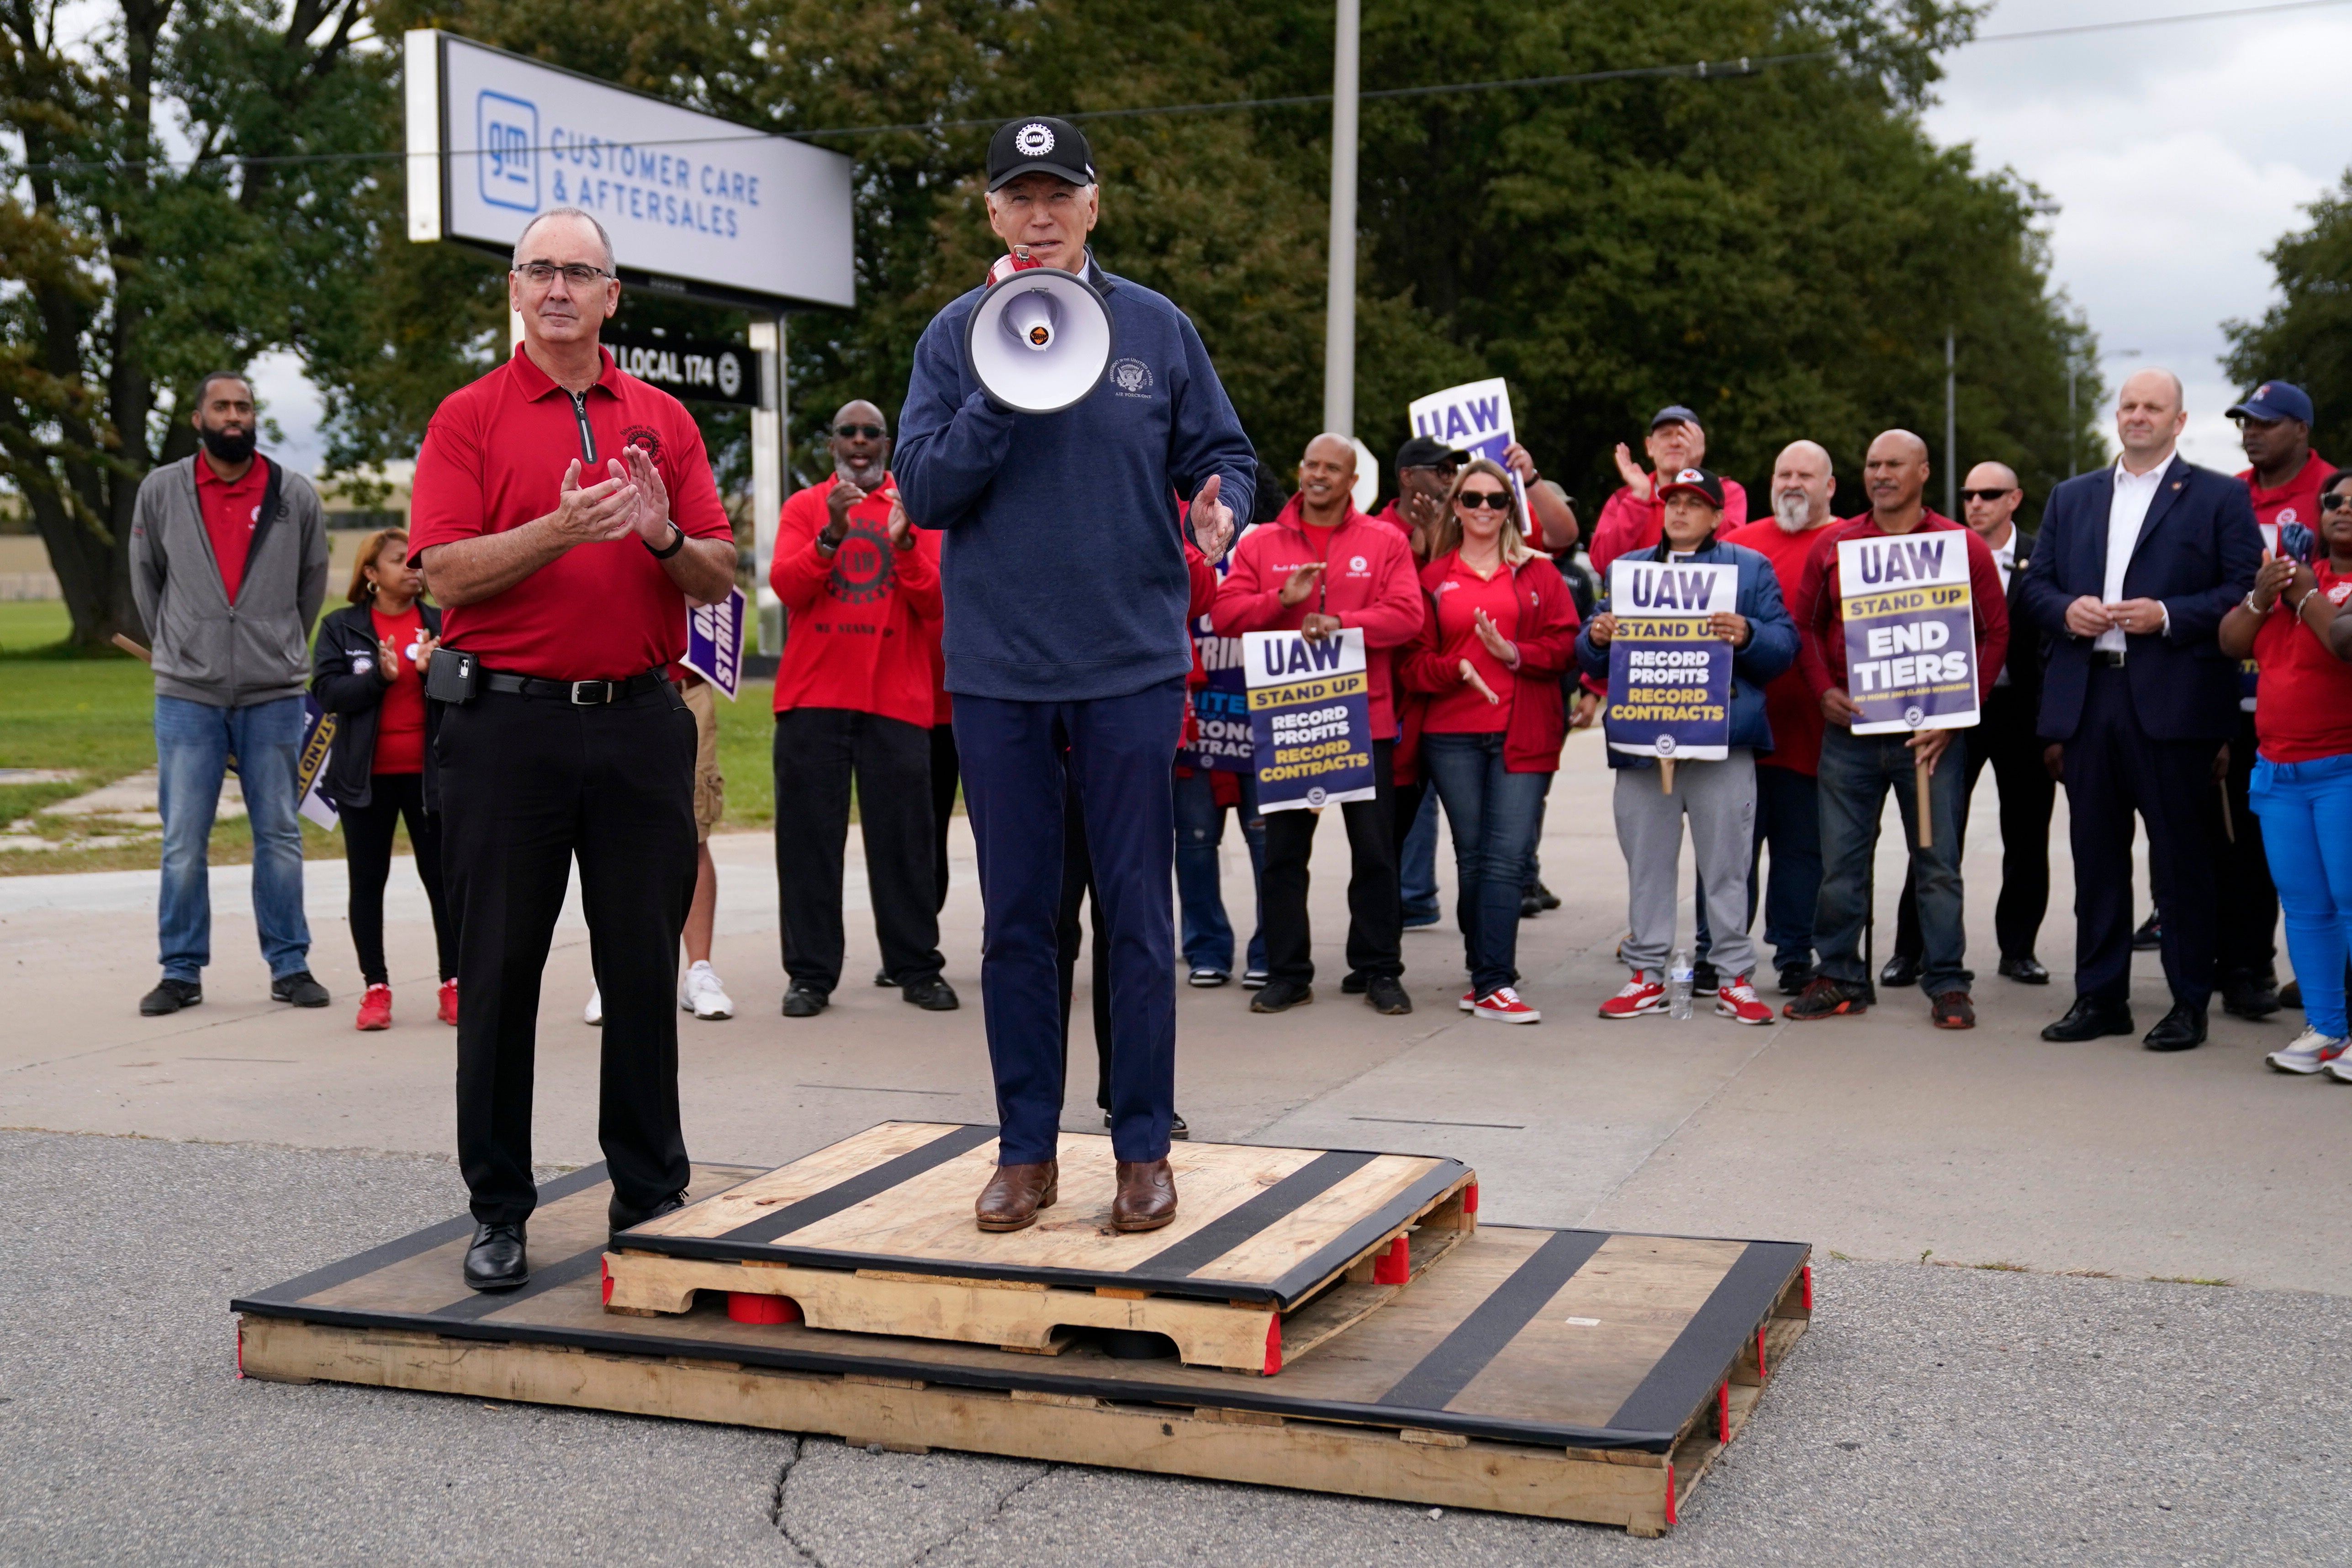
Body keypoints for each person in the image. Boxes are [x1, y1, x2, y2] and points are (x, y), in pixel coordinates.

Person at [895, 117, 1252, 1235]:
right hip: (1000, 671)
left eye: (1059, 196)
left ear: (1092, 206)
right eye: (1019, 198)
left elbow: (1224, 455)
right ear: (992, 214)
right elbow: (927, 490)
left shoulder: (1156, 327)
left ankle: (1141, 1147)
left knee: (1136, 915)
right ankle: (1026, 1148)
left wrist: (1219, 507)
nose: (1039, 216)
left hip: (1129, 665)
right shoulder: (954, 339)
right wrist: (1002, 385)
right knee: (1017, 922)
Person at [410, 207, 738, 1291]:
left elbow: (718, 573)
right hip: (507, 729)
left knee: (641, 967)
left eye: (580, 272)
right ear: (515, 289)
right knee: (499, 968)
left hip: (640, 719)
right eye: (539, 270)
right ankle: (498, 1207)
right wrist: (559, 528)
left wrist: (656, 532)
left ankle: (649, 1194)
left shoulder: (661, 419)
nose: (558, 288)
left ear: (612, 297)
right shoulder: (469, 418)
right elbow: (443, 575)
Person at [2017, 369, 2261, 1051]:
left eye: (2153, 407)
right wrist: (2066, 609)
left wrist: (2167, 614)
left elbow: (2246, 593)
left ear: (2180, 421)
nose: (2138, 416)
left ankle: (2188, 1002)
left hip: (2173, 701)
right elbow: (2036, 589)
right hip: (2089, 696)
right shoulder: (2072, 498)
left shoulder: (2215, 498)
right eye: (2128, 405)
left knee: (2183, 860)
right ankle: (2100, 997)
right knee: (2095, 856)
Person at [1787, 431, 2008, 1029]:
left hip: (1930, 740)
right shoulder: (1835, 545)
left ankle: (1946, 983)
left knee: (1938, 864)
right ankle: (1838, 975)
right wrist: (1822, 690)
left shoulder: (1961, 546)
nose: (1881, 474)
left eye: (1894, 464)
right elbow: (1804, 626)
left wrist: (1960, 714)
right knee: (1840, 865)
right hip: (1850, 735)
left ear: (1922, 472)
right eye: (1872, 464)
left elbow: (1994, 634)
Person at [129, 370, 331, 1018]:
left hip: (272, 693)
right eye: (222, 406)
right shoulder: (162, 491)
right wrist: (184, 644)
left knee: (277, 832)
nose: (234, 416)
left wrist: (274, 645)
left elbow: (312, 581)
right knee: (184, 837)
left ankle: (290, 964)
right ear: (199, 418)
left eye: (244, 406)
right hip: (188, 692)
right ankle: (181, 970)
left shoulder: (292, 494)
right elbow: (146, 580)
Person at [1213, 433, 1423, 1017]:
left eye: (1333, 467)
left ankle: (1378, 969)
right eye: (1311, 464)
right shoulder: (1263, 545)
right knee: (1283, 854)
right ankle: (1287, 973)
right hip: (1289, 726)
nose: (1318, 475)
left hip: (1365, 721)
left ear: (1353, 480)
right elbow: (1226, 613)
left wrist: (1341, 622)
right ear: (1299, 470)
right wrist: (1282, 598)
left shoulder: (1384, 542)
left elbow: (1408, 616)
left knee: (1376, 854)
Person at [1579, 468, 1796, 1025]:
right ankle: (1646, 973)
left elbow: (1783, 646)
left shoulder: (1748, 569)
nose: (1679, 512)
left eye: (1693, 504)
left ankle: (1732, 978)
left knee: (1727, 865)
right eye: (1672, 502)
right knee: (1647, 863)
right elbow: (1588, 650)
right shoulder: (1627, 571)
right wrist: (1597, 637)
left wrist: (1746, 633)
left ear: (1717, 516)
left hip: (1720, 739)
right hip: (1642, 741)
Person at [769, 401, 956, 1018]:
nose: (858, 441)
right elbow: (788, 586)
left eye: (870, 433)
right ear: (832, 445)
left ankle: (916, 968)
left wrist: (903, 548)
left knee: (905, 845)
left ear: (887, 443)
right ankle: (810, 976)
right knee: (807, 845)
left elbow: (934, 605)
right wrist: (831, 534)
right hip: (812, 699)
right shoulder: (805, 508)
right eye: (847, 431)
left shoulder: (913, 510)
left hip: (896, 702)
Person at [1401, 458, 1582, 1022]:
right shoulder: (1433, 578)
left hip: (1520, 731)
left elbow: (1566, 645)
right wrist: (1454, 668)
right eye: (1472, 498)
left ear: (1511, 508)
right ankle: (1485, 973)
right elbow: (1412, 664)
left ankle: (1494, 981)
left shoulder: (1539, 572)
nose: (1484, 509)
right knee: (1474, 859)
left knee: (1505, 859)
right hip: (1450, 737)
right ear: (1456, 505)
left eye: (1496, 500)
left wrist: (1514, 654)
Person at [1882, 462, 2056, 988]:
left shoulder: (2041, 556)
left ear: (2014, 499)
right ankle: (1908, 951)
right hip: (1953, 711)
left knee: (2027, 833)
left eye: (1989, 493)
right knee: (1934, 830)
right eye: (1968, 494)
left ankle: (2018, 949)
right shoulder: (1936, 552)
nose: (1976, 502)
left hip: (2022, 711)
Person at [2219, 465, 2352, 1077]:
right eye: (2332, 501)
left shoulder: (2316, 589)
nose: (2341, 510)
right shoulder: (2297, 577)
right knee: (2305, 905)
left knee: (2349, 901)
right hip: (2279, 768)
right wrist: (2261, 595)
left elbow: (2345, 642)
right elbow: (2230, 641)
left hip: (2342, 768)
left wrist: (2302, 597)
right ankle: (2326, 1027)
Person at [2213, 381, 2329, 1018]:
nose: (2251, 433)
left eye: (2265, 423)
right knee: (2245, 850)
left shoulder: (2334, 494)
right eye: (2244, 423)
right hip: (2240, 695)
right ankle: (2245, 966)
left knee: (2328, 861)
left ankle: (2326, 978)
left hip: (2317, 704)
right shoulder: (2227, 493)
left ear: (2301, 430)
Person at [311, 528, 455, 1031]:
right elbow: (328, 693)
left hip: (430, 779)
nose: (414, 569)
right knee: (368, 883)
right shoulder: (341, 628)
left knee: (443, 881)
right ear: (371, 574)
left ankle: (453, 983)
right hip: (364, 780)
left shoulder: (442, 622)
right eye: (400, 561)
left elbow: (469, 687)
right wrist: (382, 678)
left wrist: (434, 670)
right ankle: (375, 989)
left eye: (417, 561)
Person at [1719, 440, 1839, 994]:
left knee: (1801, 852)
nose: (1792, 482)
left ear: (1829, 486)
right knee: (1731, 850)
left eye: (1805, 475)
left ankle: (1794, 953)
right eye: (1783, 473)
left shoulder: (1849, 545)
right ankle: (1716, 949)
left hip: (1816, 729)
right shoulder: (1736, 547)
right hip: (1741, 731)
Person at [1374, 436, 1459, 930]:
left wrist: (1438, 543)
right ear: (1408, 477)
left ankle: (1417, 895)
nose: (1451, 478)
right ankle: (1405, 900)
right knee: (1401, 811)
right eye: (1442, 469)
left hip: (1446, 695)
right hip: (1393, 699)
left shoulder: (1465, 526)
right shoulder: (1375, 532)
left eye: (1454, 470)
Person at [1588, 406, 1751, 575]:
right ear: (1650, 447)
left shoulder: (1728, 492)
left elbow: (1733, 560)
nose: (1675, 443)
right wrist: (1638, 501)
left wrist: (1692, 479)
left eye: (1684, 435)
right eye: (1666, 435)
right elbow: (1604, 565)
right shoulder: (1627, 498)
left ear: (1700, 444)